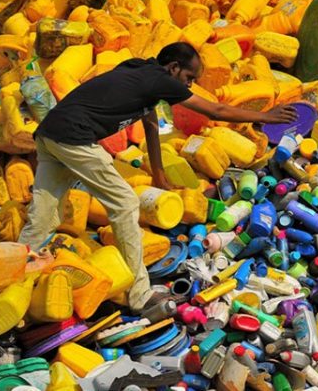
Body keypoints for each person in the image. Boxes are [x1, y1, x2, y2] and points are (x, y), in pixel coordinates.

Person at [18, 42, 297, 312]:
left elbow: (150, 125)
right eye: (188, 77)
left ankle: (12, 270)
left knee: (45, 215)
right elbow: (217, 110)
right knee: (125, 204)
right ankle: (140, 295)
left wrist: (159, 176)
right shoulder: (160, 80)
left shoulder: (141, 72)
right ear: (173, 68)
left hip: (50, 134)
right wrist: (266, 116)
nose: (189, 85)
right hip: (74, 136)